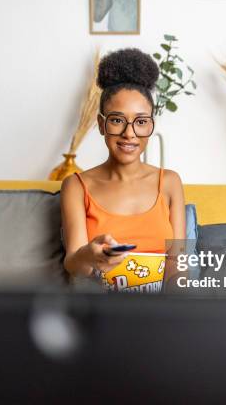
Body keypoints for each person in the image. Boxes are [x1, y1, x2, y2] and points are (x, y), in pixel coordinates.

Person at [60, 47, 186, 283]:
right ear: (100, 124)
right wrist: (88, 255)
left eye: (141, 122)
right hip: (100, 307)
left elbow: (178, 265)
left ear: (151, 125)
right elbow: (73, 264)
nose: (130, 134)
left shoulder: (170, 183)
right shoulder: (76, 186)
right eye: (117, 120)